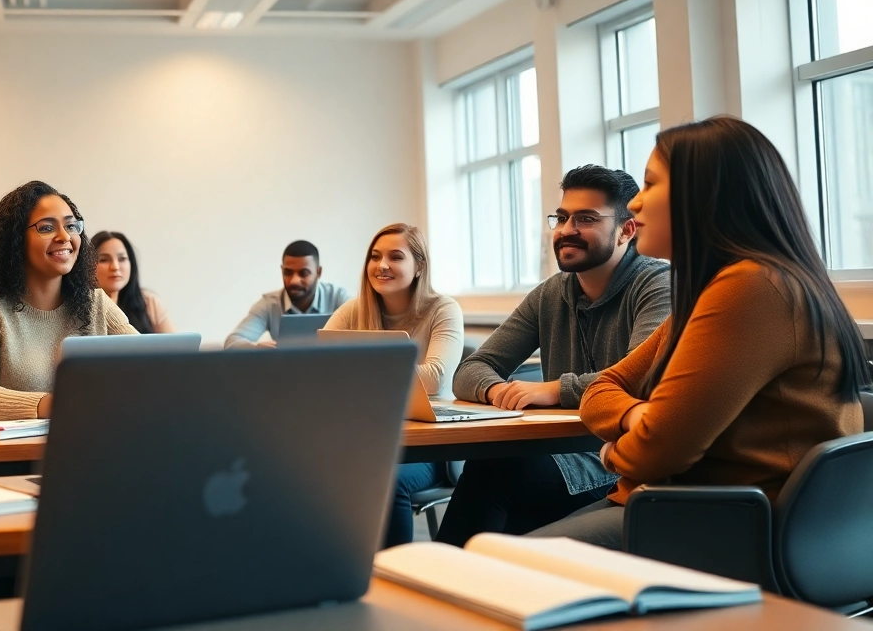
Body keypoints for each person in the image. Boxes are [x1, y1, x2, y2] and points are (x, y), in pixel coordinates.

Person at [530, 116, 868, 549]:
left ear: (705, 194)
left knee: (492, 570)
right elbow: (605, 386)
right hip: (695, 508)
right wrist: (638, 417)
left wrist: (615, 453)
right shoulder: (722, 287)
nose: (634, 205)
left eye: (651, 185)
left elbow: (657, 452)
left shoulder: (751, 288)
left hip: (724, 526)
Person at [436, 166, 670, 546]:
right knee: (498, 478)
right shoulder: (550, 293)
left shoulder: (657, 284)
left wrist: (554, 390)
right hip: (553, 454)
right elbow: (471, 369)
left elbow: (639, 380)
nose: (565, 229)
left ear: (627, 230)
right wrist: (499, 391)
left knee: (498, 476)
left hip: (616, 459)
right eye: (561, 217)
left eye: (586, 218)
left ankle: (443, 583)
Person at [324, 223, 463, 547]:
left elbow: (434, 378)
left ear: (419, 267)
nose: (382, 265)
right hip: (365, 438)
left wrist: (355, 372)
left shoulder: (443, 309)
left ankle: (397, 576)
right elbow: (320, 366)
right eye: (375, 256)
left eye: (395, 257)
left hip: (431, 447)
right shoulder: (354, 309)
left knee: (385, 481)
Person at [0, 181, 137, 421]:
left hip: (77, 446)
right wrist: (65, 404)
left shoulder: (95, 302)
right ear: (16, 240)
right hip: (1, 454)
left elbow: (148, 363)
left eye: (71, 226)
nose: (64, 236)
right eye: (46, 228)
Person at [225, 240, 352, 348]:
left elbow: (366, 332)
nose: (294, 280)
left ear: (318, 272)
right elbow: (232, 341)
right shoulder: (269, 304)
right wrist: (254, 349)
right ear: (282, 270)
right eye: (288, 272)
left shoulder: (338, 298)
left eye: (304, 273)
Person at [91, 230, 174, 334]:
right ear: (88, 266)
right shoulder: (79, 308)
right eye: (103, 260)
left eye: (122, 259)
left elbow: (177, 347)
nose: (115, 267)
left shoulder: (148, 302)